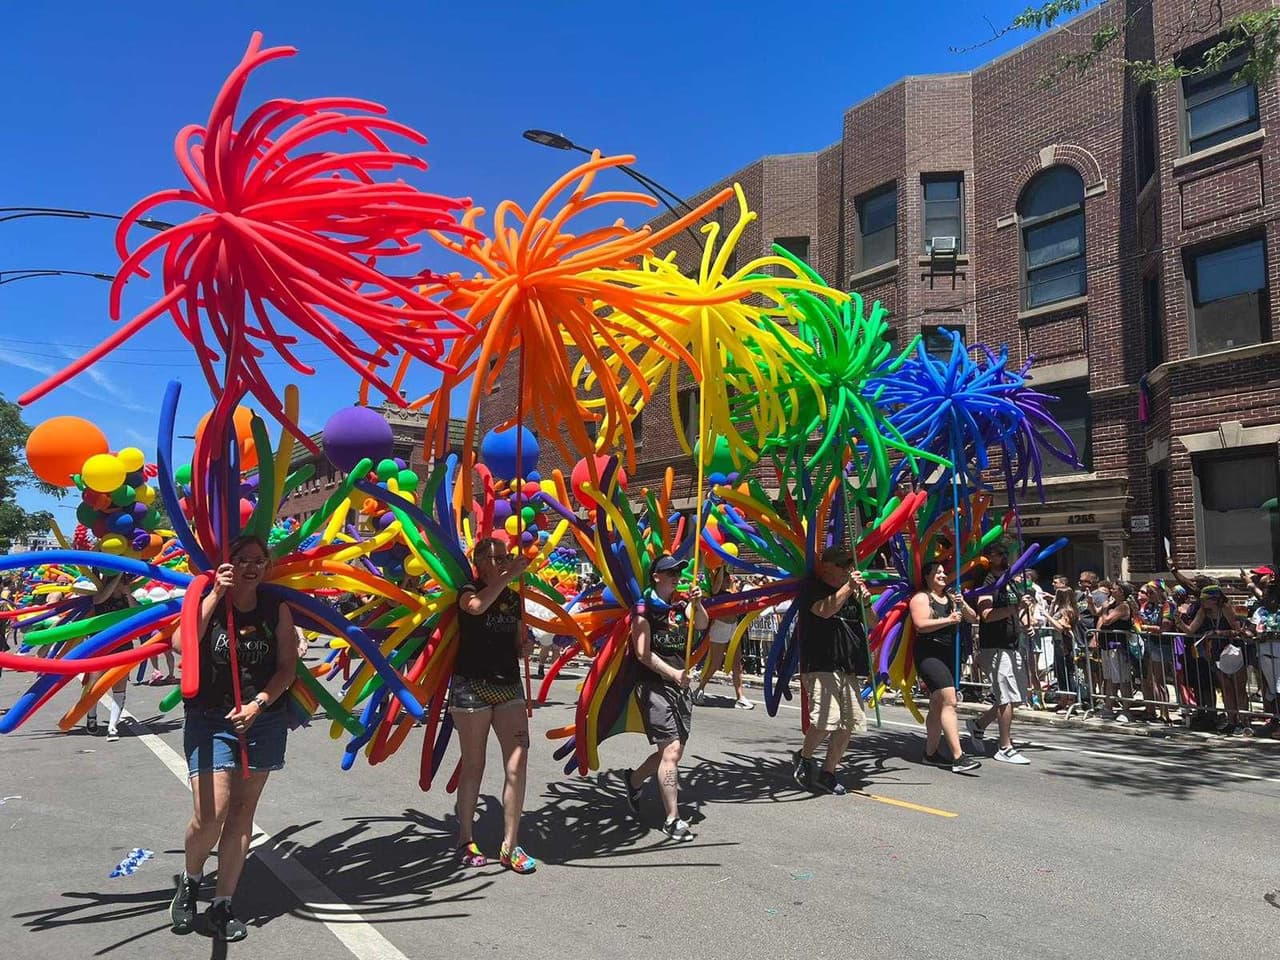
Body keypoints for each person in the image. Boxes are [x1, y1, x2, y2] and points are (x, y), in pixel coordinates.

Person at [170, 534, 298, 942]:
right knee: (212, 812)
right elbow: (180, 643)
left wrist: (258, 704)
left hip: (263, 720)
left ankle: (223, 903)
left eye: (258, 559)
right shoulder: (208, 598)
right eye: (241, 559)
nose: (250, 566)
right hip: (210, 718)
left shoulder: (275, 608)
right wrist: (215, 595)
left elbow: (287, 667)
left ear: (267, 565)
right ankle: (191, 881)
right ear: (228, 564)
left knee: (242, 812)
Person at [451, 537, 537, 873]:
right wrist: (509, 575)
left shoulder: (515, 599)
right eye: (497, 557)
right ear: (480, 561)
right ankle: (465, 838)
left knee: (518, 763)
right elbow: (476, 608)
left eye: (507, 557)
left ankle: (510, 845)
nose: (504, 561)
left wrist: (524, 648)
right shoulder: (467, 590)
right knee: (474, 764)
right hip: (471, 688)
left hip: (509, 687)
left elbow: (517, 643)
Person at [622, 554, 708, 841]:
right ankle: (673, 818)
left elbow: (702, 625)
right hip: (653, 686)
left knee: (669, 753)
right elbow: (642, 654)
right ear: (656, 576)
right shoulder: (644, 609)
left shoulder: (680, 605)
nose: (675, 576)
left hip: (678, 685)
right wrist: (673, 673)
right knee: (671, 751)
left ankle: (633, 780)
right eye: (669, 572)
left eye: (678, 572)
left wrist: (698, 604)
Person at [792, 545, 878, 794]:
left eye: (849, 565)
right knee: (826, 720)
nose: (847, 569)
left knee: (848, 724)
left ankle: (829, 771)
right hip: (821, 662)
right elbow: (825, 610)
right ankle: (805, 758)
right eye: (842, 565)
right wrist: (849, 588)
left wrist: (867, 603)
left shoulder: (851, 593)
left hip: (848, 665)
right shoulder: (812, 587)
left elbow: (873, 623)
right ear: (826, 566)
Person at [909, 561, 981, 773]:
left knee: (937, 704)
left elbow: (973, 618)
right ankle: (959, 757)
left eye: (944, 572)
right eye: (937, 572)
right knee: (950, 700)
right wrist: (948, 620)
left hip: (949, 654)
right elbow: (920, 625)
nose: (942, 575)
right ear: (927, 576)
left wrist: (963, 604)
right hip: (929, 655)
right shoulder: (922, 598)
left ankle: (930, 754)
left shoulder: (951, 597)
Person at [966, 543, 1034, 765]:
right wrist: (1014, 610)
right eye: (999, 554)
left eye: (1006, 553)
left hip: (1012, 644)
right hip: (994, 646)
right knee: (1005, 697)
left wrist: (1025, 621)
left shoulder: (1012, 581)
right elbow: (985, 614)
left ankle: (978, 725)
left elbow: (1017, 611)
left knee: (1015, 697)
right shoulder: (987, 583)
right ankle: (1004, 746)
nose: (1005, 557)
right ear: (988, 558)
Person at [1187, 585, 1246, 735]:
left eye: (1205, 599)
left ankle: (1244, 721)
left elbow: (1237, 630)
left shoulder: (1226, 608)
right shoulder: (1203, 611)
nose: (1202, 602)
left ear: (1214, 599)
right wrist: (1179, 621)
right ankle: (1231, 720)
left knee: (1238, 688)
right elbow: (1190, 630)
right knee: (1226, 688)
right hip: (1216, 652)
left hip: (1232, 649)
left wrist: (1218, 632)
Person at [84, 574, 137, 740]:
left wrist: (127, 593)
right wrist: (118, 576)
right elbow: (99, 600)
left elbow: (135, 612)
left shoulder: (127, 599)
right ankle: (91, 717)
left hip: (123, 647)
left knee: (119, 687)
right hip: (101, 647)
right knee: (95, 684)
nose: (119, 586)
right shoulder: (100, 598)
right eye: (118, 583)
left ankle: (113, 726)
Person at [693, 566, 753, 709]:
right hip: (719, 627)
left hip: (733, 627)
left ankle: (740, 696)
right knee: (715, 663)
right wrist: (720, 566)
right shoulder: (716, 593)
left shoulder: (731, 592)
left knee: (737, 664)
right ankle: (699, 689)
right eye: (726, 579)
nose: (728, 581)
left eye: (729, 579)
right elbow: (716, 586)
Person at [1095, 581, 1138, 722]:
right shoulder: (1112, 604)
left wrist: (1105, 609)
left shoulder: (1123, 606)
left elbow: (1106, 620)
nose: (1111, 589)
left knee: (1122, 678)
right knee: (1109, 678)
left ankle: (1126, 709)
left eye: (1114, 588)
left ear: (1121, 591)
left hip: (1118, 646)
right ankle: (1108, 706)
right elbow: (1097, 613)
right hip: (1107, 645)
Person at [1135, 582, 1174, 724]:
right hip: (1149, 643)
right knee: (1150, 680)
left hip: (1161, 645)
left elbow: (1164, 626)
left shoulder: (1168, 605)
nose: (1149, 596)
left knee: (1160, 680)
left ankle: (1165, 713)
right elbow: (1143, 620)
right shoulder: (1150, 606)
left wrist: (1145, 627)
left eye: (1151, 593)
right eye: (1148, 593)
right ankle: (1154, 710)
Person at [1250, 579, 1280, 738]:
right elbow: (1250, 631)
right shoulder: (1260, 612)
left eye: (1269, 597)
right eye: (1265, 597)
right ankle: (1274, 721)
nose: (1266, 600)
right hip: (1264, 655)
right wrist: (1245, 633)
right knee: (1271, 691)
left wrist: (1270, 635)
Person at [1045, 587, 1079, 712]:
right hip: (1057, 643)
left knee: (1067, 672)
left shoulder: (1067, 610)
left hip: (1065, 644)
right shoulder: (1059, 608)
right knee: (1060, 672)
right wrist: (1052, 605)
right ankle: (1063, 699)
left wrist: (1048, 616)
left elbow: (1061, 627)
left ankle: (1071, 700)